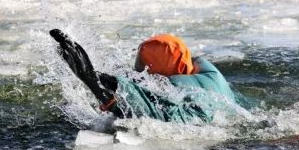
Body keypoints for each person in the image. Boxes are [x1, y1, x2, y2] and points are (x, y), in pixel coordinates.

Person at [50, 29, 247, 124]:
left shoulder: (172, 86)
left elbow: (143, 102)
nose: (141, 71)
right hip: (238, 119)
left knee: (133, 109)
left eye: (144, 66)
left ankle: (92, 82)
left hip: (203, 126)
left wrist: (93, 78)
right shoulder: (208, 70)